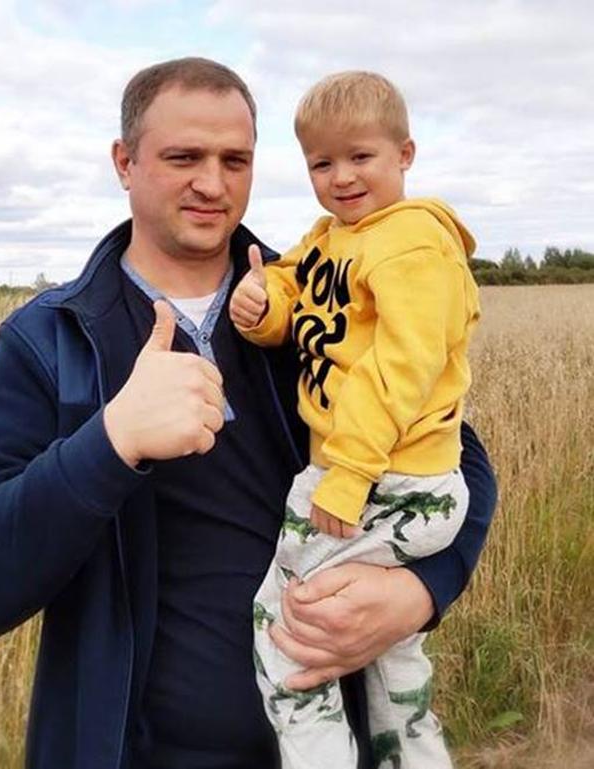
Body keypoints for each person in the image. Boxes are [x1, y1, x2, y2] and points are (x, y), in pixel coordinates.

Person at [0, 58, 496, 769]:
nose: (213, 184)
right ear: (124, 162)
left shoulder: (317, 301)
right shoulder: (51, 341)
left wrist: (419, 591)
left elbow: (457, 459)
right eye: (183, 157)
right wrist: (111, 442)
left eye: (235, 160)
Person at [230, 71, 479, 768]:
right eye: (321, 163)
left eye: (360, 156)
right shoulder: (332, 237)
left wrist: (347, 474)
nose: (341, 177)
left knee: (288, 629)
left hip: (381, 482)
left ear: (406, 153)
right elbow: (294, 284)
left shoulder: (412, 245)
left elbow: (401, 367)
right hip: (382, 480)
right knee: (392, 652)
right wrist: (265, 306)